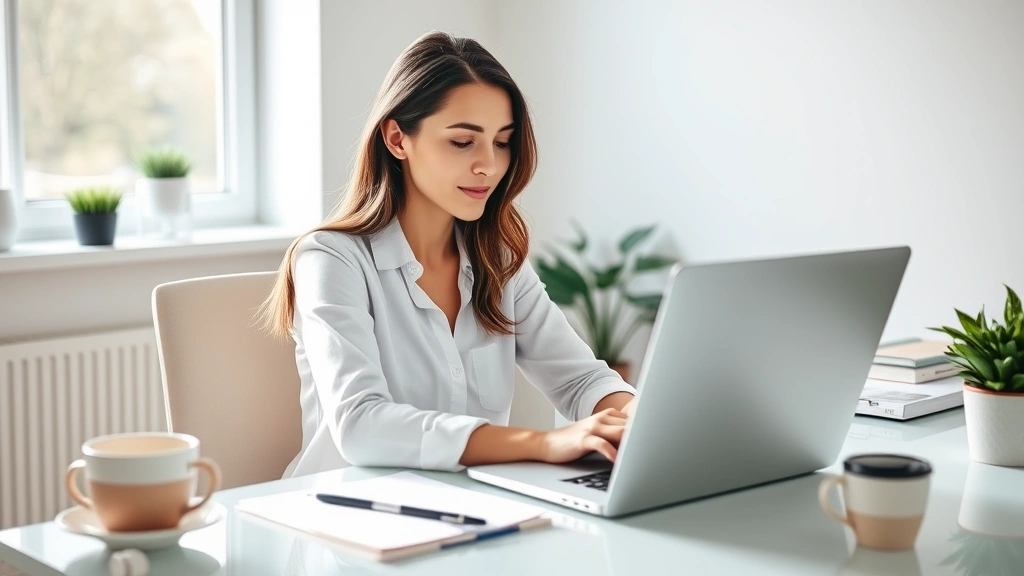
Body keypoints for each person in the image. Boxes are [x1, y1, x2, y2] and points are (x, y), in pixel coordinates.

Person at [260, 31, 636, 477]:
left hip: (470, 516)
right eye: (462, 142)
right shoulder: (331, 260)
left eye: (502, 142)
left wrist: (635, 422)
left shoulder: (497, 261)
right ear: (398, 139)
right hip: (343, 521)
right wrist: (543, 443)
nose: (490, 165)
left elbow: (581, 379)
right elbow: (361, 424)